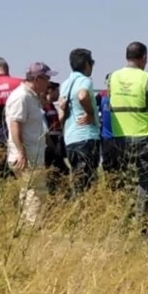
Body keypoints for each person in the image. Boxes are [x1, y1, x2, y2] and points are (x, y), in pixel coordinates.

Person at [107, 41, 148, 219]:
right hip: (144, 136)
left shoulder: (112, 78)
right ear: (144, 58)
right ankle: (140, 220)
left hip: (119, 136)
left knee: (122, 178)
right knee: (145, 180)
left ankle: (121, 216)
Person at [5, 62, 56, 225]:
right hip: (27, 156)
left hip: (32, 154)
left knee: (28, 192)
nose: (49, 82)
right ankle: (33, 229)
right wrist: (21, 152)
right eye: (47, 78)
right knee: (36, 193)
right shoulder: (21, 97)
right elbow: (15, 124)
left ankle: (26, 226)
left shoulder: (31, 96)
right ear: (37, 78)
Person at [56, 47, 100, 194]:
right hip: (86, 137)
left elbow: (61, 113)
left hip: (70, 139)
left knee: (78, 179)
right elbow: (82, 95)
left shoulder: (65, 84)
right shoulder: (84, 80)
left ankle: (79, 210)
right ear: (87, 64)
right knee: (88, 180)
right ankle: (87, 212)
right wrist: (90, 113)